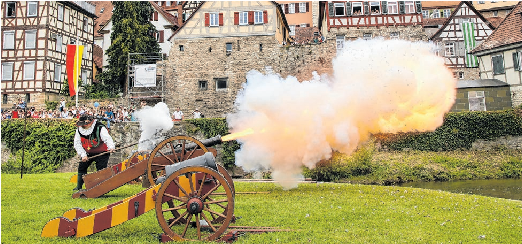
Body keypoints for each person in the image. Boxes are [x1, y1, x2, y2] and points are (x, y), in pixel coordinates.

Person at [73, 114, 115, 191]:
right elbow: (77, 143)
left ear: (89, 122)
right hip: (87, 153)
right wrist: (83, 155)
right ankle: (79, 186)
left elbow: (107, 138)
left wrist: (111, 147)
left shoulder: (100, 127)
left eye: (84, 125)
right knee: (82, 167)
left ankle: (101, 187)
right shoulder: (79, 130)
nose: (82, 126)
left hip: (102, 152)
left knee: (101, 169)